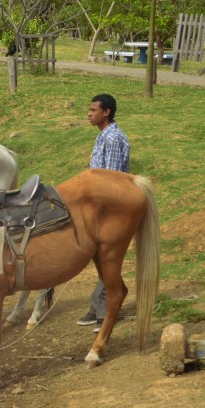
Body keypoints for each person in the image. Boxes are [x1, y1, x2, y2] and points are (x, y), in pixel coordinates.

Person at [77, 93, 130, 333]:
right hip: (99, 206)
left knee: (107, 257)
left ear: (106, 112)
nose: (89, 113)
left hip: (111, 209)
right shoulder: (103, 137)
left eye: (93, 110)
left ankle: (104, 310)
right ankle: (101, 305)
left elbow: (111, 179)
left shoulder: (113, 139)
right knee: (101, 257)